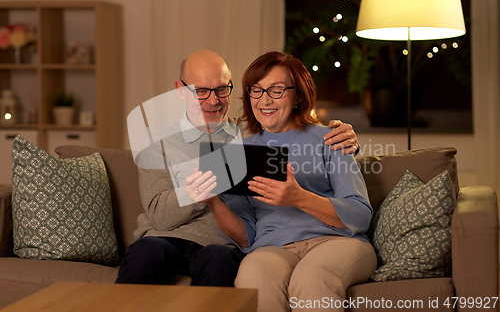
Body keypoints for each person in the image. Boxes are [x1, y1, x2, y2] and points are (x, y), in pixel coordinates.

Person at [116, 50, 361, 287]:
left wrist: (344, 137)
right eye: (201, 91)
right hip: (164, 239)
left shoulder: (251, 132)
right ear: (181, 91)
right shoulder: (156, 143)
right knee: (145, 253)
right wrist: (194, 194)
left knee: (219, 261)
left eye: (222, 89)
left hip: (223, 245)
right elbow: (159, 216)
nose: (213, 101)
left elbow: (298, 136)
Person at [187, 51, 376, 311]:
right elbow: (245, 237)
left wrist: (297, 197)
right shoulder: (239, 151)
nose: (265, 100)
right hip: (273, 246)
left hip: (337, 242)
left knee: (310, 279)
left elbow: (359, 216)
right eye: (257, 90)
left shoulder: (331, 138)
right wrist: (212, 201)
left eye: (276, 90)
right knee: (252, 276)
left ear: (298, 95)